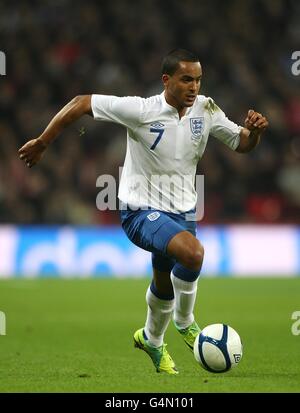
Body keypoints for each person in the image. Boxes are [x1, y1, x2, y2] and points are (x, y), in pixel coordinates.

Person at [18, 48, 269, 375]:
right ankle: (185, 322)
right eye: (186, 79)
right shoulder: (141, 110)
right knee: (193, 254)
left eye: (198, 80)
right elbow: (81, 102)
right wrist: (42, 141)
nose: (194, 87)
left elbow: (242, 143)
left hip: (182, 212)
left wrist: (256, 132)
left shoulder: (206, 110)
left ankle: (152, 339)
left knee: (164, 283)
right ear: (167, 80)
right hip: (139, 211)